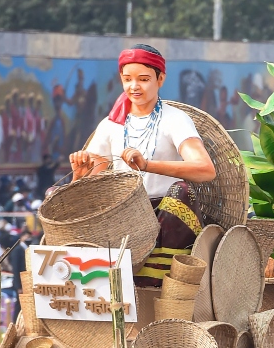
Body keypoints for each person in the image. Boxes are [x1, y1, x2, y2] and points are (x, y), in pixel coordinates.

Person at [67, 45, 217, 285]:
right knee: (55, 195)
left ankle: (158, 280)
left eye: (144, 79)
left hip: (164, 213)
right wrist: (78, 177)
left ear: (160, 79)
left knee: (181, 191)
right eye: (127, 79)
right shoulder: (110, 125)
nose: (134, 86)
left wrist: (147, 165)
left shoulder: (175, 120)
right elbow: (91, 187)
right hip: (121, 214)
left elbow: (205, 169)